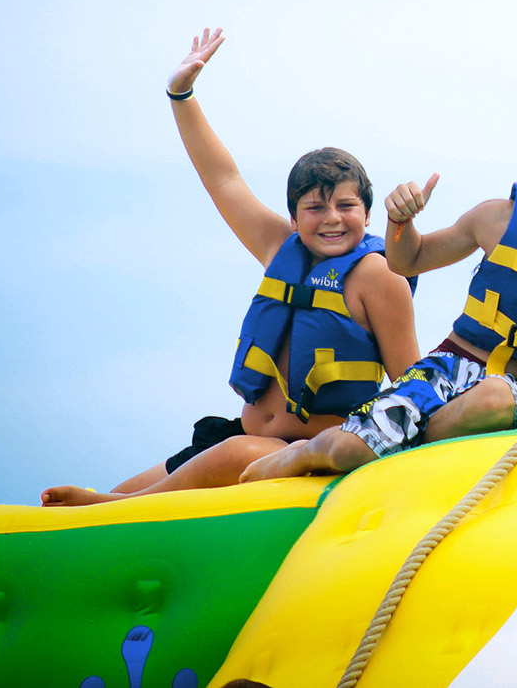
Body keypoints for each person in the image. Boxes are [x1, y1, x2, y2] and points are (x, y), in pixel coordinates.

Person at [42, 29, 421, 505]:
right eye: (314, 208)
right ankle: (117, 501)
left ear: (366, 216)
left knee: (232, 455)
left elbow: (412, 381)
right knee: (201, 458)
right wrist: (181, 94)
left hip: (311, 454)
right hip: (241, 435)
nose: (331, 219)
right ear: (293, 218)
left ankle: (118, 509)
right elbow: (222, 179)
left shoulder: (378, 276)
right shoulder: (280, 249)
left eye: (346, 206)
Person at [241, 88, 517, 482]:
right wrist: (400, 222)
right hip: (446, 367)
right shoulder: (495, 218)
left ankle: (393, 446)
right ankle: (297, 457)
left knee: (494, 398)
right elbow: (408, 260)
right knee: (345, 450)